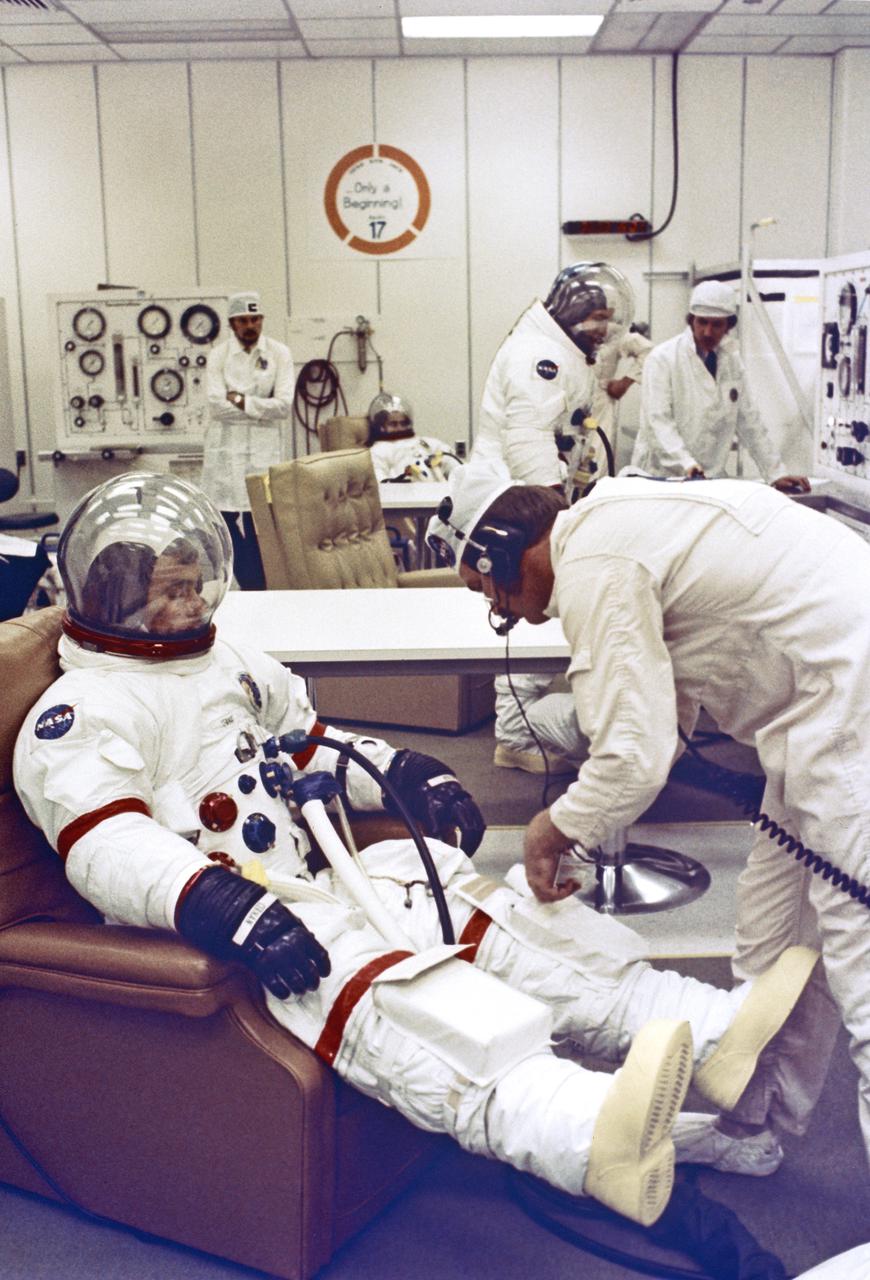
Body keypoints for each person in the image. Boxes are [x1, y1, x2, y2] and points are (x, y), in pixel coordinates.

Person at [14, 471, 821, 1231]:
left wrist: (397, 772)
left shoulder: (225, 664)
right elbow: (107, 843)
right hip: (228, 919)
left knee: (458, 893)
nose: (188, 606)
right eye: (168, 594)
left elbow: (306, 744)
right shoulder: (83, 710)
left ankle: (706, 1030)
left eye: (193, 587)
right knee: (369, 976)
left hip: (310, 874)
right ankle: (577, 1127)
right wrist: (218, 904)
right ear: (117, 600)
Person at [427, 462, 870, 1167]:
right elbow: (664, 706)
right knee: (773, 933)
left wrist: (552, 829)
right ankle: (755, 1126)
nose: (504, 613)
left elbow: (634, 753)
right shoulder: (613, 525)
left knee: (860, 956)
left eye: (490, 588)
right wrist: (587, 814)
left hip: (849, 706)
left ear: (506, 550)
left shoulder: (594, 563)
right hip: (814, 710)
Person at [469, 262, 635, 775]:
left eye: (610, 320)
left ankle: (520, 729)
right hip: (522, 508)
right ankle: (515, 737)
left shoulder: (562, 352)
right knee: (524, 606)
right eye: (598, 318)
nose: (604, 329)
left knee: (537, 610)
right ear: (573, 313)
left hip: (534, 503)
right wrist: (553, 516)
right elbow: (528, 437)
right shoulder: (541, 355)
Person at [630, 280, 810, 492]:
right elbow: (658, 423)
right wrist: (686, 463)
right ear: (691, 321)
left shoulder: (731, 362)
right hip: (662, 477)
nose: (707, 332)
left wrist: (775, 473)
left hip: (709, 479)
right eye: (702, 322)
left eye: (716, 325)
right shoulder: (663, 359)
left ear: (729, 325)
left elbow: (748, 421)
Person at [203, 291, 294, 590]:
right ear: (232, 323)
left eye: (255, 319)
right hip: (225, 451)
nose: (250, 325)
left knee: (261, 522)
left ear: (262, 320)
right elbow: (216, 405)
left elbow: (283, 406)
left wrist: (241, 401)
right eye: (243, 320)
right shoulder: (218, 356)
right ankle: (248, 580)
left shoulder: (279, 353)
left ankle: (260, 586)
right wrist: (259, 407)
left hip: (262, 452)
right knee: (225, 521)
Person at [367, 391, 463, 484]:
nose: (399, 428)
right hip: (405, 496)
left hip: (440, 493)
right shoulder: (378, 451)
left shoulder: (427, 443)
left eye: (403, 423)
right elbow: (379, 481)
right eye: (393, 424)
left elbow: (456, 466)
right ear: (381, 426)